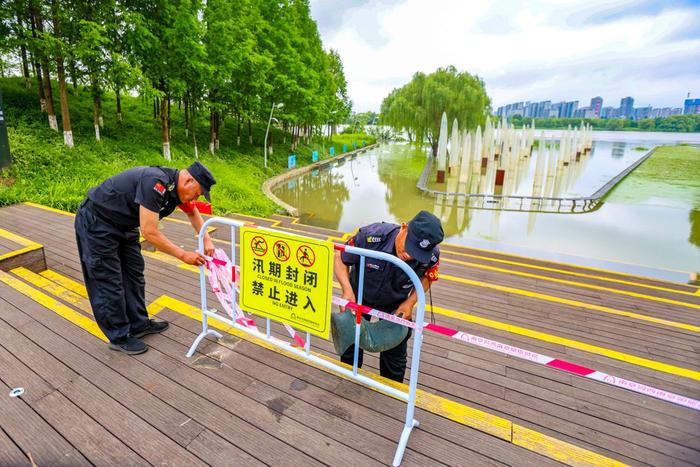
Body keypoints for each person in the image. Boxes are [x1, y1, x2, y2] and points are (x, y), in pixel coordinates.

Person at [75, 162, 216, 355]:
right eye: (198, 193)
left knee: (134, 274)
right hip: (98, 223)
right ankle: (119, 336)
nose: (196, 197)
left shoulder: (176, 188)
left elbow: (192, 212)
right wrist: (183, 255)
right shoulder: (155, 182)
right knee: (108, 280)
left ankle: (139, 324)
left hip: (125, 225)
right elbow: (149, 231)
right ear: (189, 180)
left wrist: (207, 240)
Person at [334, 210, 443, 382]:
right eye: (409, 246)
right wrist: (346, 290)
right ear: (404, 227)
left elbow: (429, 276)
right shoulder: (371, 236)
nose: (409, 255)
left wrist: (410, 302)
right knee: (351, 344)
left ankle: (390, 394)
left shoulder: (431, 254)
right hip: (359, 296)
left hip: (396, 304)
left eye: (416, 253)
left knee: (395, 359)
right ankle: (348, 382)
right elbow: (340, 256)